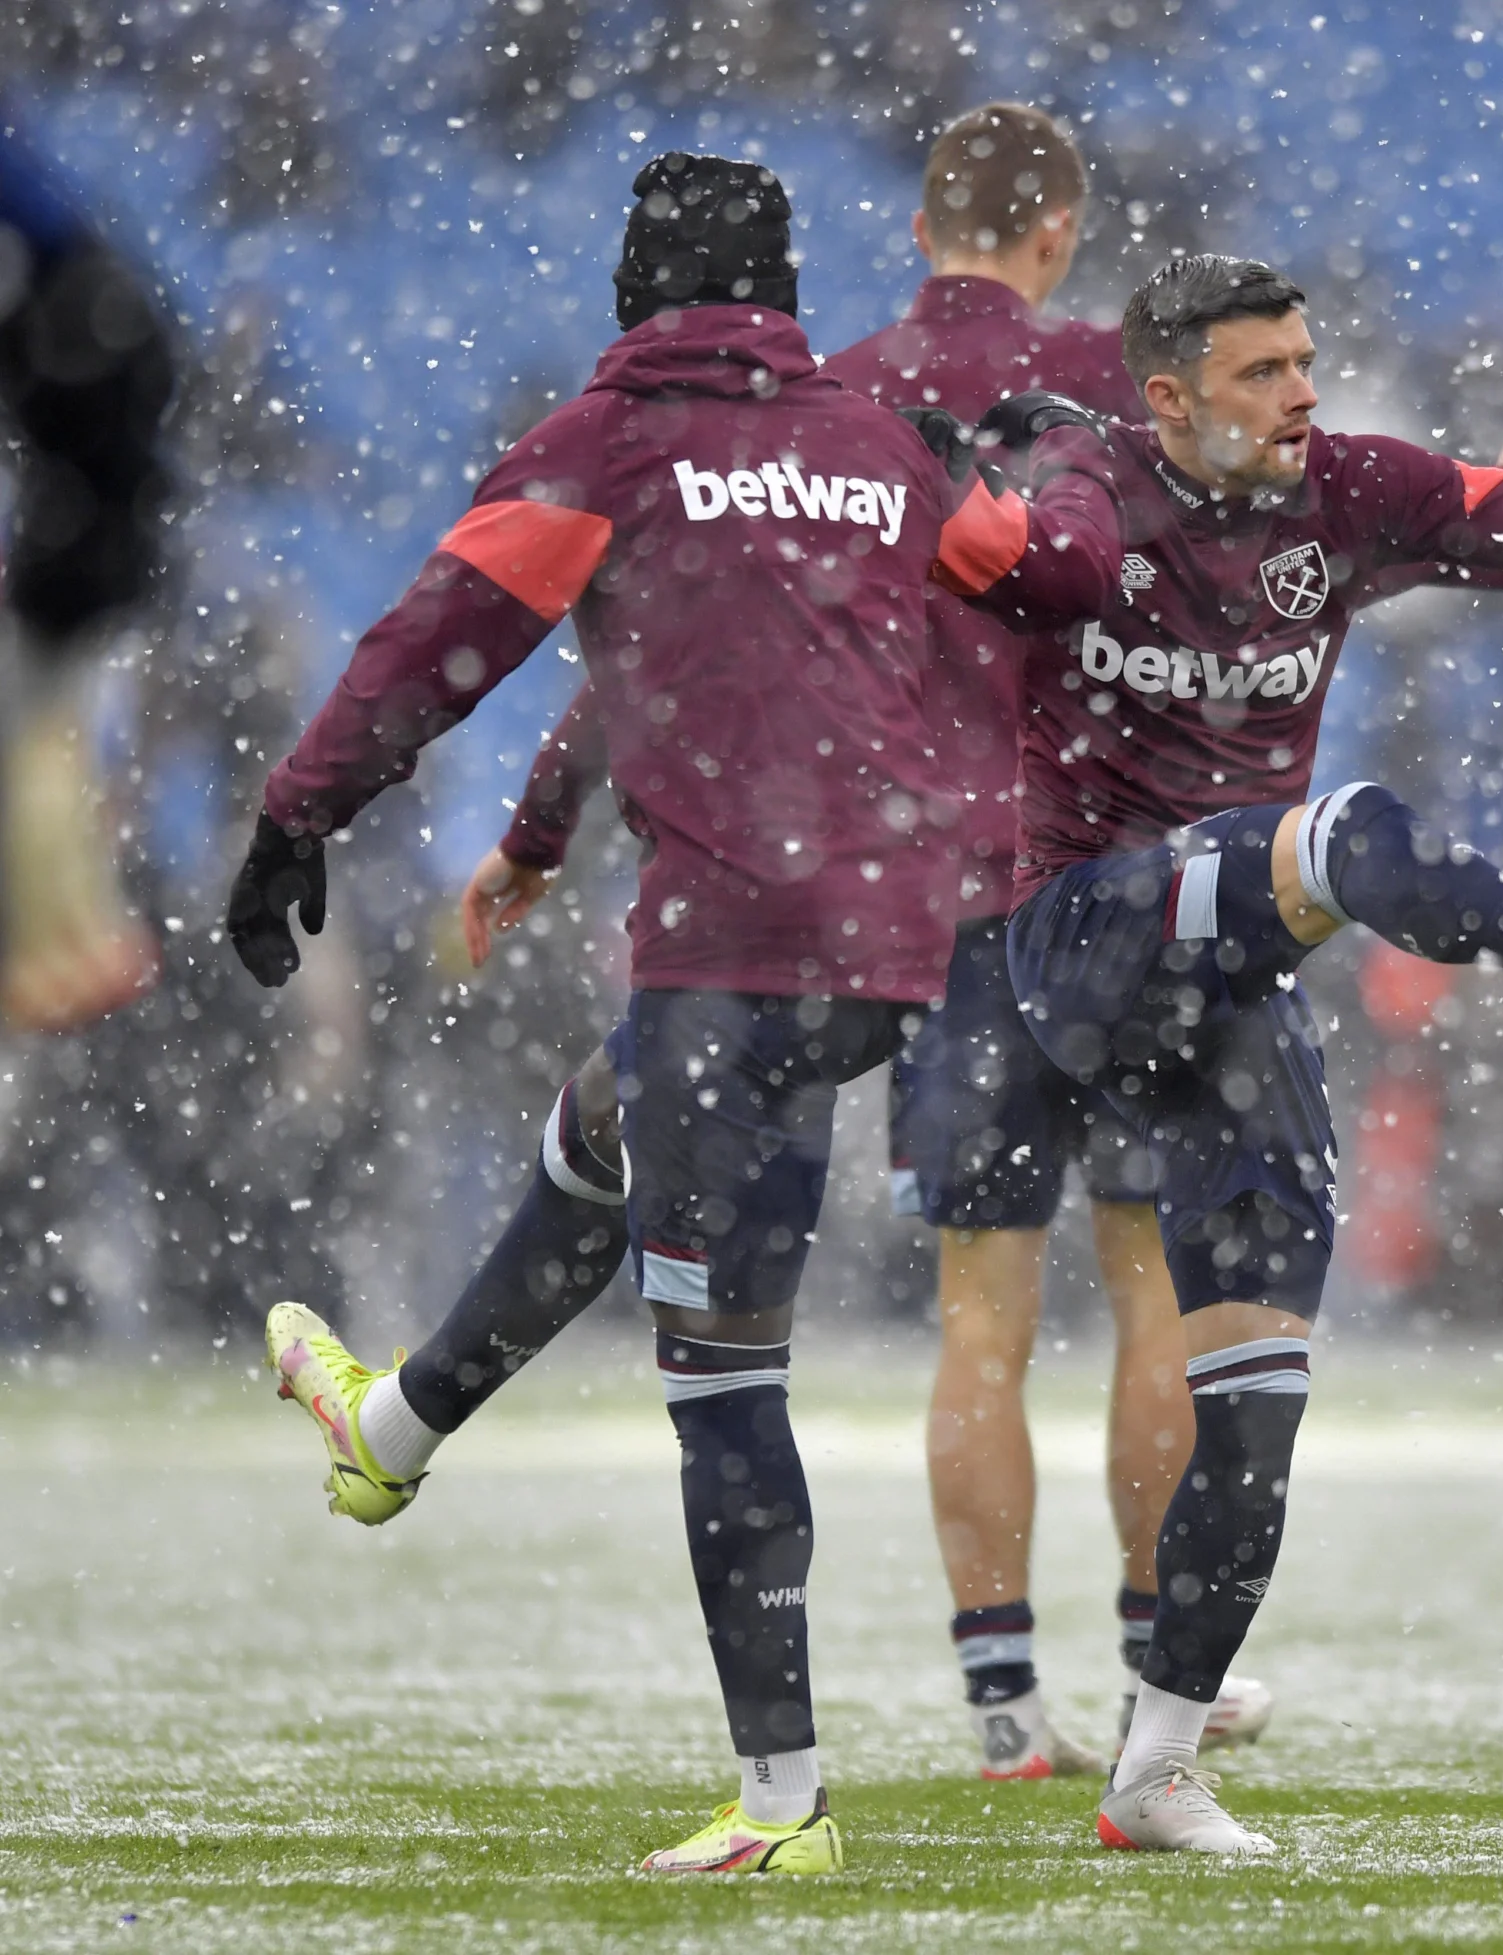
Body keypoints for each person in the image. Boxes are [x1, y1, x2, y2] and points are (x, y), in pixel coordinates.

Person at [458, 103, 1270, 1778]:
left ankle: (1000, 1702)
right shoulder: (1115, 393)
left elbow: (671, 643)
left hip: (901, 883)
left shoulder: (818, 400)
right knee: (1145, 1286)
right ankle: (1158, 1671)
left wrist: (544, 820)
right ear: (1061, 230)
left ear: (918, 227)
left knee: (983, 1310)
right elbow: (1223, 569)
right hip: (1095, 875)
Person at [229, 152, 962, 1875]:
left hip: (738, 946)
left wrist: (295, 811)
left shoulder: (615, 443)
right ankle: (390, 1429)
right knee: (609, 1119)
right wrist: (550, 826)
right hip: (888, 940)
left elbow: (442, 639)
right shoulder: (871, 448)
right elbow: (849, 628)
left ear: (636, 289)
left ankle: (783, 1808)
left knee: (722, 1373)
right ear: (781, 288)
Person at [920, 249, 1503, 1851]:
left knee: (1256, 1405)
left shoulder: (1343, 489)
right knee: (1340, 832)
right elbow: (1025, 550)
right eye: (1265, 371)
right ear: (1167, 396)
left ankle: (1154, 1763)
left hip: (1229, 978)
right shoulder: (1089, 480)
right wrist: (959, 508)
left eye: (1308, 362)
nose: (1304, 393)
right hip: (1079, 930)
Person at [0, 116, 172, 1032]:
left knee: (34, 706)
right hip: (96, 491)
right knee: (45, 708)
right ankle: (66, 935)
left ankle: (59, 939)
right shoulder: (67, 263)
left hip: (88, 497)